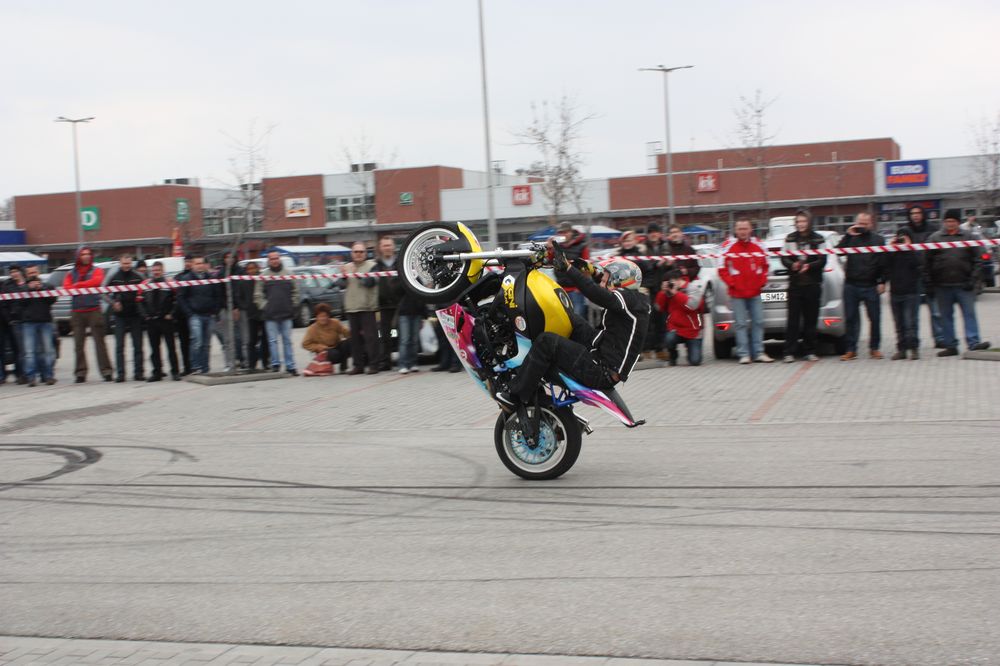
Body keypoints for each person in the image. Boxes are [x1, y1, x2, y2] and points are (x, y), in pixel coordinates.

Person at [496, 253, 650, 408]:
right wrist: (591, 271)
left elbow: (597, 294)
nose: (602, 284)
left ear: (619, 281)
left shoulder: (628, 299)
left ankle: (515, 395)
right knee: (570, 318)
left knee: (546, 341)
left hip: (601, 371)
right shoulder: (636, 302)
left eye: (605, 281)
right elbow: (603, 288)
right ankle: (537, 359)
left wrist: (569, 269)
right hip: (602, 351)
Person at [924, 209, 991, 356]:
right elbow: (926, 261)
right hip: (942, 285)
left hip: (964, 284)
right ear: (944, 222)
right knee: (945, 317)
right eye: (947, 221)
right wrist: (929, 282)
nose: (950, 224)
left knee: (969, 314)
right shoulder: (935, 238)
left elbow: (979, 260)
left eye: (953, 221)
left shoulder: (969, 237)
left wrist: (973, 279)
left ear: (958, 222)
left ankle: (973, 342)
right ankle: (950, 345)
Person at [719, 217, 773, 364]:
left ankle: (759, 352)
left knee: (758, 322)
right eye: (740, 229)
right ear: (735, 230)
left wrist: (761, 282)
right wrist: (733, 283)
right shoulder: (727, 246)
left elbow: (767, 266)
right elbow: (721, 269)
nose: (743, 231)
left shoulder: (759, 245)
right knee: (740, 324)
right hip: (737, 294)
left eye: (745, 228)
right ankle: (744, 354)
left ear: (750, 229)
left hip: (755, 292)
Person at [837, 211, 887, 361]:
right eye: (860, 223)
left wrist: (882, 281)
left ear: (871, 224)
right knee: (850, 318)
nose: (862, 226)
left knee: (875, 318)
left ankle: (874, 348)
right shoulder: (851, 238)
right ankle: (851, 349)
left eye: (865, 224)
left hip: (871, 285)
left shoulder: (878, 240)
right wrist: (848, 235)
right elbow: (838, 251)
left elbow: (883, 263)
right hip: (851, 284)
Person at [780, 210, 825, 362]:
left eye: (803, 221)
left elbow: (822, 260)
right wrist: (791, 265)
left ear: (809, 222)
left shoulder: (818, 239)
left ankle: (810, 350)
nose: (801, 224)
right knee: (792, 320)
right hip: (795, 285)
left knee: (811, 320)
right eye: (798, 221)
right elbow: (784, 258)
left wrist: (809, 266)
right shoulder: (790, 238)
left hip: (812, 284)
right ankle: (789, 352)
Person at [63, 246, 113, 383]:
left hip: (94, 310)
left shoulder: (97, 270)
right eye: (83, 254)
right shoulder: (70, 273)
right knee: (78, 345)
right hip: (77, 312)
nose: (86, 256)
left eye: (88, 254)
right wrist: (85, 285)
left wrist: (78, 285)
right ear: (78, 256)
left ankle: (106, 371)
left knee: (100, 343)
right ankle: (80, 372)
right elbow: (67, 288)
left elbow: (97, 282)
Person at [902, 205, 944, 348]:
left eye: (918, 213)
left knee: (936, 310)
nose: (915, 215)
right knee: (912, 312)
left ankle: (940, 338)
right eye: (912, 213)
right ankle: (913, 340)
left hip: (930, 274)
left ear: (923, 214)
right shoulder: (905, 230)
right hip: (912, 274)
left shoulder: (933, 229)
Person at [254, 250, 300, 376]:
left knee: (287, 341)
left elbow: (296, 292)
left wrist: (292, 305)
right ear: (268, 261)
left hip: (286, 313)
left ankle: (290, 366)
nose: (274, 260)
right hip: (270, 315)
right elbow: (257, 294)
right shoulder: (263, 276)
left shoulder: (289, 274)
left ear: (280, 259)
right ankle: (275, 364)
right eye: (272, 259)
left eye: (276, 258)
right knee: (272, 341)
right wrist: (265, 307)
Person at [176, 256, 222, 374]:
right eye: (197, 263)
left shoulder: (211, 278)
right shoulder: (186, 279)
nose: (200, 265)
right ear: (192, 265)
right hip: (195, 315)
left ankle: (205, 368)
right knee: (197, 341)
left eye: (201, 263)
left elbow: (217, 295)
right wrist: (189, 313)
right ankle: (195, 366)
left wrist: (215, 311)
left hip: (209, 315)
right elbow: (181, 297)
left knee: (206, 344)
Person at [343, 242, 380, 375]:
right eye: (356, 252)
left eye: (361, 252)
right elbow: (340, 285)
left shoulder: (372, 266)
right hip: (352, 307)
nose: (358, 254)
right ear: (351, 253)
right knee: (355, 340)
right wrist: (342, 277)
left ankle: (374, 365)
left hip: (367, 307)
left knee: (371, 339)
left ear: (365, 253)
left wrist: (357, 275)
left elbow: (370, 282)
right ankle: (358, 366)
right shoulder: (346, 267)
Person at [655, 269, 705, 366]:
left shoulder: (692, 288)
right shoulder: (668, 291)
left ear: (677, 280)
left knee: (695, 361)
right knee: (669, 339)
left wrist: (676, 293)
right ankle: (673, 356)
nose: (669, 285)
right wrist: (662, 292)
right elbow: (658, 308)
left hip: (692, 330)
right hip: (675, 328)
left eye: (670, 282)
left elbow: (692, 306)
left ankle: (690, 349)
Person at [108, 254, 145, 382]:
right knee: (119, 346)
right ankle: (121, 374)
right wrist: (113, 303)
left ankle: (139, 373)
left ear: (131, 263)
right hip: (120, 316)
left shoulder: (138, 276)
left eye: (128, 264)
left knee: (138, 346)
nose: (126, 266)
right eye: (124, 264)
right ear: (120, 263)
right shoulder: (114, 277)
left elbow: (147, 288)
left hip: (135, 315)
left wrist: (141, 302)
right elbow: (103, 292)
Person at [142, 261, 181, 381]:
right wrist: (145, 315)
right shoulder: (146, 284)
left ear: (163, 271)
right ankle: (157, 373)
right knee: (154, 349)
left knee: (171, 348)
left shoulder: (170, 284)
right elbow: (139, 301)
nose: (156, 272)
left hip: (166, 320)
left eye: (158, 270)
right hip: (152, 321)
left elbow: (178, 300)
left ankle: (175, 372)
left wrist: (172, 314)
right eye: (154, 270)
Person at [886, 229, 922, 360]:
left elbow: (918, 265)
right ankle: (901, 349)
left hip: (911, 292)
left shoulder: (915, 250)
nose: (901, 241)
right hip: (895, 292)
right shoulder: (893, 252)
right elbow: (885, 265)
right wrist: (890, 248)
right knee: (899, 324)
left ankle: (914, 349)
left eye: (904, 238)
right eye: (899, 237)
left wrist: (909, 248)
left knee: (911, 323)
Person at [19, 268, 57, 386]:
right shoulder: (23, 288)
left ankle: (48, 376)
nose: (33, 275)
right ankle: (31, 377)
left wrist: (42, 290)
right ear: (26, 275)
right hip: (28, 323)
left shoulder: (47, 286)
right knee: (30, 352)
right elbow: (20, 303)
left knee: (48, 351)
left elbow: (53, 300)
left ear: (38, 273)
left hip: (45, 321)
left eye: (34, 272)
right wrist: (29, 290)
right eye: (30, 273)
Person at [235, 261, 270, 372]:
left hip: (264, 313)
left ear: (257, 268)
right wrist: (245, 306)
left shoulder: (262, 279)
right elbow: (239, 297)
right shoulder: (243, 282)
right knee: (251, 341)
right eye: (249, 269)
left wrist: (266, 306)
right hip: (251, 315)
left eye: (253, 268)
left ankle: (266, 362)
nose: (251, 271)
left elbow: (268, 293)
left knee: (265, 339)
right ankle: (252, 364)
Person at [551, 222, 590, 317]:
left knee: (578, 317)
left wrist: (580, 287)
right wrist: (549, 248)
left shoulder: (582, 246)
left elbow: (587, 268)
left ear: (571, 232)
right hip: (561, 289)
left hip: (576, 289)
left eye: (565, 232)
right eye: (560, 233)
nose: (563, 235)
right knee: (564, 318)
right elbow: (549, 261)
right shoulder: (556, 246)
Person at [375, 236, 402, 371]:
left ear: (393, 247)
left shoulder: (401, 263)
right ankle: (386, 362)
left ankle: (404, 362)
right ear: (380, 248)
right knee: (384, 336)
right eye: (384, 245)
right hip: (384, 305)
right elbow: (369, 282)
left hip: (400, 304)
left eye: (389, 245)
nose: (387, 248)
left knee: (403, 334)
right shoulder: (376, 265)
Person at [301, 303, 351, 375]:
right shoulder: (312, 328)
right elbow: (305, 344)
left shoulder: (335, 322)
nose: (323, 318)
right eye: (320, 316)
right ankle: (327, 366)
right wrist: (318, 347)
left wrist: (354, 333)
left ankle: (343, 367)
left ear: (328, 316)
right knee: (334, 354)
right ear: (316, 317)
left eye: (325, 316)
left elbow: (346, 332)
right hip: (325, 351)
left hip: (336, 347)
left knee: (348, 343)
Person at [214, 251, 244, 371]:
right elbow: (219, 294)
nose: (229, 259)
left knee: (241, 337)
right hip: (225, 309)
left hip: (240, 308)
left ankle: (242, 360)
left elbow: (242, 291)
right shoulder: (220, 274)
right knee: (227, 339)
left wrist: (237, 307)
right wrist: (229, 308)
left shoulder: (241, 272)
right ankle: (229, 363)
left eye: (231, 257)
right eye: (226, 257)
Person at [1, 265, 26, 384]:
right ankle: (3, 375)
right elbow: (4, 305)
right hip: (10, 321)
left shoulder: (26, 284)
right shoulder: (7, 285)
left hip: (22, 320)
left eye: (16, 271)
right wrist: (9, 319)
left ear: (20, 272)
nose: (14, 274)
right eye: (11, 272)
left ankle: (20, 374)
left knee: (18, 349)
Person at [173, 255, 195, 375]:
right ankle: (187, 367)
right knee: (184, 343)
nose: (188, 263)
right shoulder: (178, 277)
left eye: (190, 261)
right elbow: (175, 296)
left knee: (195, 341)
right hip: (181, 315)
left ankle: (196, 365)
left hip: (194, 313)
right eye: (186, 261)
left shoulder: (197, 276)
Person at [396, 290, 426, 374]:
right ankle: (403, 364)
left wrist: (424, 315)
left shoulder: (418, 282)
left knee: (414, 340)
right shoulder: (402, 282)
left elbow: (423, 296)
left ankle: (413, 363)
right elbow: (396, 291)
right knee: (405, 340)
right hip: (404, 312)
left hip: (417, 312)